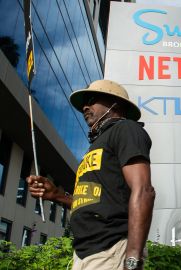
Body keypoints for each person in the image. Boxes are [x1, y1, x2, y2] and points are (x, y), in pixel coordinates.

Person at [27, 80, 155, 270]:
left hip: (112, 250)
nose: (85, 107)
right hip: (84, 254)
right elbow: (95, 201)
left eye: (92, 100)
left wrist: (133, 258)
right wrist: (57, 195)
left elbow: (144, 190)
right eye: (84, 103)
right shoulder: (94, 148)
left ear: (115, 104)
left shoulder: (126, 129)